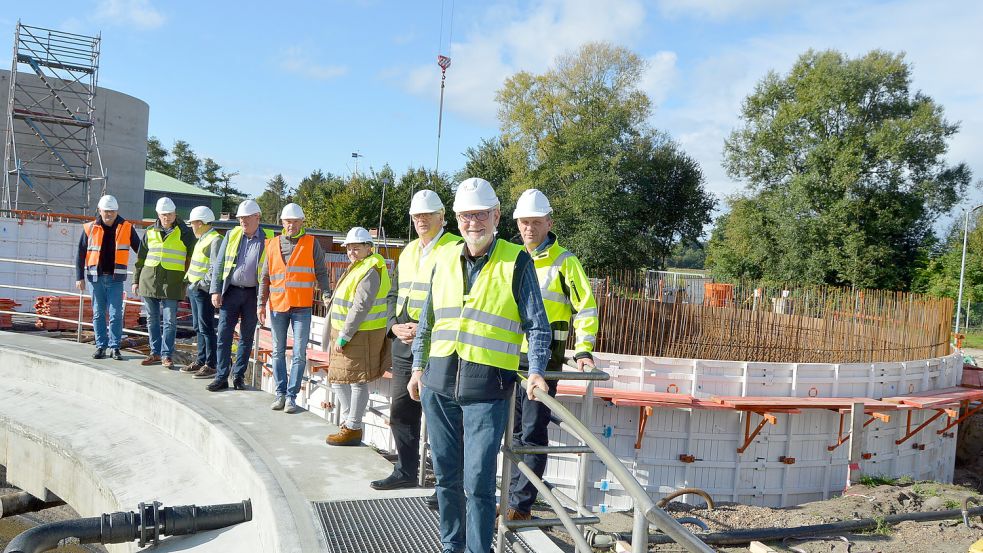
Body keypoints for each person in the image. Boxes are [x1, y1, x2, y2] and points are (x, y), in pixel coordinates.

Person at [407, 177, 552, 553]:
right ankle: (451, 546)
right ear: (456, 219)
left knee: (478, 483)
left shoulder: (515, 260)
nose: (474, 223)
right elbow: (428, 321)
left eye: (481, 215)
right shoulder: (442, 258)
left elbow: (537, 324)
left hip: (487, 390)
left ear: (496, 215)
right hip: (438, 385)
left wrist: (535, 369)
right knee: (445, 479)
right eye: (467, 215)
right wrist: (417, 367)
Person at [505, 188, 599, 521]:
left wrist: (584, 348)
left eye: (535, 221)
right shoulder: (513, 258)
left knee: (532, 431)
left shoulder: (565, 262)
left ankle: (521, 505)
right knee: (514, 433)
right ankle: (513, 497)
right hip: (509, 359)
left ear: (549, 223)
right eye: (523, 222)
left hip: (542, 362)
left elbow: (585, 307)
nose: (528, 228)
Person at [371, 190, 460, 492]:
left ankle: (446, 486)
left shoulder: (455, 248)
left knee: (440, 418)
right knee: (401, 411)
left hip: (436, 346)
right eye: (417, 216)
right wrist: (393, 326)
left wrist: (424, 329)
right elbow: (393, 293)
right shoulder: (408, 251)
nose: (421, 220)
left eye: (427, 215)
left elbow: (454, 297)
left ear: (441, 217)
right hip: (403, 344)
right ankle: (406, 470)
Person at [257, 203, 332, 414]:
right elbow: (265, 278)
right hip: (278, 305)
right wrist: (260, 304)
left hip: (302, 306)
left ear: (302, 223)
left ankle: (291, 397)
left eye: (296, 221)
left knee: (299, 353)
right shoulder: (271, 244)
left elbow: (321, 272)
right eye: (288, 221)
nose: (291, 225)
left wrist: (326, 293)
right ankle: (280, 394)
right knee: (278, 352)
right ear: (282, 223)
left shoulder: (311, 243)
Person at [323, 226, 392, 446]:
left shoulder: (370, 269)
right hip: (350, 332)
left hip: (359, 334)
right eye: (349, 248)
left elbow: (361, 306)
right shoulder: (360, 266)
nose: (351, 251)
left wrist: (345, 335)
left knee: (355, 381)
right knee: (339, 377)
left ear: (368, 247)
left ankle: (353, 426)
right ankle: (348, 421)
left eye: (356, 247)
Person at [206, 199, 275, 392]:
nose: (242, 221)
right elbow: (219, 264)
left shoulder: (269, 239)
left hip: (254, 294)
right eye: (240, 218)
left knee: (246, 337)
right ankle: (221, 377)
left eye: (246, 218)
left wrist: (265, 299)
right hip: (231, 291)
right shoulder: (232, 234)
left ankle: (238, 376)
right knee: (224, 335)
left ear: (257, 217)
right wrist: (215, 290)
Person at [74, 194, 141, 360]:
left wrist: (139, 276)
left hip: (115, 279)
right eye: (106, 211)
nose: (109, 214)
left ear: (116, 211)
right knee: (98, 314)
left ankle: (115, 347)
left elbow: (140, 250)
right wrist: (79, 277)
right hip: (95, 278)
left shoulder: (126, 227)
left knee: (116, 314)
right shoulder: (90, 228)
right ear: (99, 210)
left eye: (112, 211)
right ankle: (101, 346)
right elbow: (80, 253)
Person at [133, 197, 196, 369]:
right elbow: (141, 258)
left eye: (169, 214)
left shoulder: (185, 232)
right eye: (163, 215)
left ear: (175, 214)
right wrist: (135, 280)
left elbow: (192, 257)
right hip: (149, 281)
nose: (166, 218)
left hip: (173, 282)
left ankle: (166, 355)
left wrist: (187, 279)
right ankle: (155, 353)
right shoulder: (150, 231)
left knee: (170, 321)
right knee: (152, 320)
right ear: (158, 214)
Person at [182, 206, 223, 379]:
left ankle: (211, 364)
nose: (191, 226)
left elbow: (215, 267)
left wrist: (200, 284)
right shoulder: (202, 238)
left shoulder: (215, 240)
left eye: (193, 223)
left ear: (201, 223)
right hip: (195, 288)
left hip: (203, 290)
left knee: (206, 327)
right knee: (199, 327)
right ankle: (201, 360)